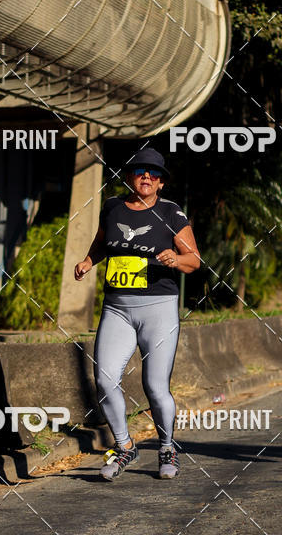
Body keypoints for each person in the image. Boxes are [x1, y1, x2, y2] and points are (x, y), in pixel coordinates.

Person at [74, 148, 200, 480]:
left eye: (154, 174)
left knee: (155, 386)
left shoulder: (171, 213)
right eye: (141, 171)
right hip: (117, 308)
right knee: (104, 378)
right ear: (130, 176)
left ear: (161, 183)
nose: (147, 177)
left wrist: (176, 258)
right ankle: (125, 445)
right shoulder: (113, 207)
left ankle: (167, 446)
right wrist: (89, 262)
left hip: (158, 309)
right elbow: (102, 243)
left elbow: (195, 261)